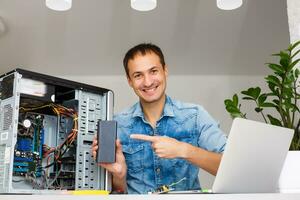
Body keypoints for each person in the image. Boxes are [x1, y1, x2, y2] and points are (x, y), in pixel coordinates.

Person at [92, 43, 227, 194]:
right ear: (129, 80)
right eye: (138, 75)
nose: (148, 82)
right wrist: (119, 174)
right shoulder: (117, 125)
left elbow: (230, 167)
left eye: (153, 71)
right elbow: (118, 192)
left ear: (165, 70)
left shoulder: (195, 116)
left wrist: (184, 150)